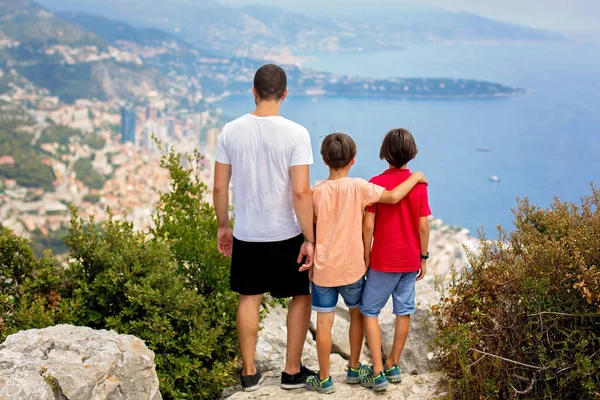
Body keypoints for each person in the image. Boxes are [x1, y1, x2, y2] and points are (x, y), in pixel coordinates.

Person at [213, 64, 317, 392]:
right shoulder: (297, 133)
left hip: (247, 232)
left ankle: (248, 373)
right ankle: (291, 371)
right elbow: (301, 192)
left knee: (249, 298)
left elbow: (219, 188)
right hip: (287, 232)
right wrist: (310, 238)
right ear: (285, 94)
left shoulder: (230, 131)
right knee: (300, 296)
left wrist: (223, 226)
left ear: (254, 91)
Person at [303, 132, 428, 394]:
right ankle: (354, 366)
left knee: (324, 323)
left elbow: (312, 228)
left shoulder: (315, 193)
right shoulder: (360, 187)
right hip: (353, 270)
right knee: (357, 314)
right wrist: (416, 177)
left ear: (325, 160)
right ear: (353, 160)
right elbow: (394, 199)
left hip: (324, 272)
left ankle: (324, 378)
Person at [360, 128, 431, 391]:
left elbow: (368, 226)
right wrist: (423, 257)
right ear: (411, 154)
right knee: (404, 312)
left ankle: (377, 371)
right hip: (409, 261)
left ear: (384, 153)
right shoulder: (419, 185)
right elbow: (424, 227)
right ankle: (392, 364)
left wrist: (366, 253)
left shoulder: (375, 182)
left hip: (383, 260)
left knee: (370, 310)